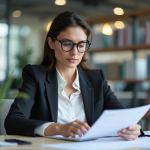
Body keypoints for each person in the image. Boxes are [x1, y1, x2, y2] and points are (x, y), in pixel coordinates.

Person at [5, 11, 143, 141]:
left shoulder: (96, 78)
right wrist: (58, 127)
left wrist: (134, 129)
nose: (75, 53)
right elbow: (13, 121)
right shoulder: (36, 76)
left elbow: (125, 117)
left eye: (81, 45)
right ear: (51, 43)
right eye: (67, 44)